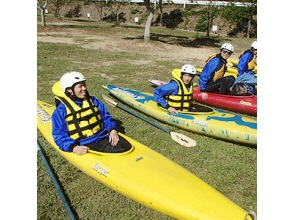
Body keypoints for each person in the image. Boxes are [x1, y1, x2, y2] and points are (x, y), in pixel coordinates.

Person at [51, 71, 132, 155]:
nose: (84, 88)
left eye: (84, 85)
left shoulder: (93, 101)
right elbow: (59, 134)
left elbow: (106, 117)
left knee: (126, 147)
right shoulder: (61, 110)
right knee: (115, 151)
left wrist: (112, 130)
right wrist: (73, 147)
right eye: (80, 86)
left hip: (103, 136)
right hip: (83, 144)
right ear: (69, 90)